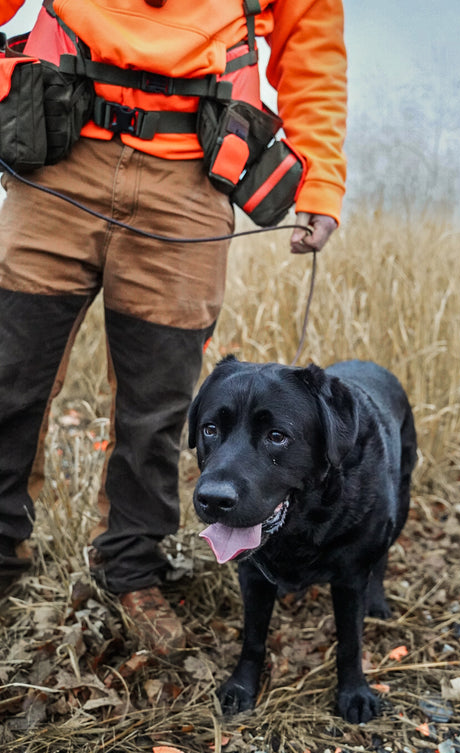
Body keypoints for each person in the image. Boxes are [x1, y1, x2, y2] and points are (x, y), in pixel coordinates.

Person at [0, 0, 347, 653]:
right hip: (54, 155)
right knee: (5, 383)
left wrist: (320, 183)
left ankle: (132, 571)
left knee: (159, 411)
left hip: (190, 181)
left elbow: (312, 52)